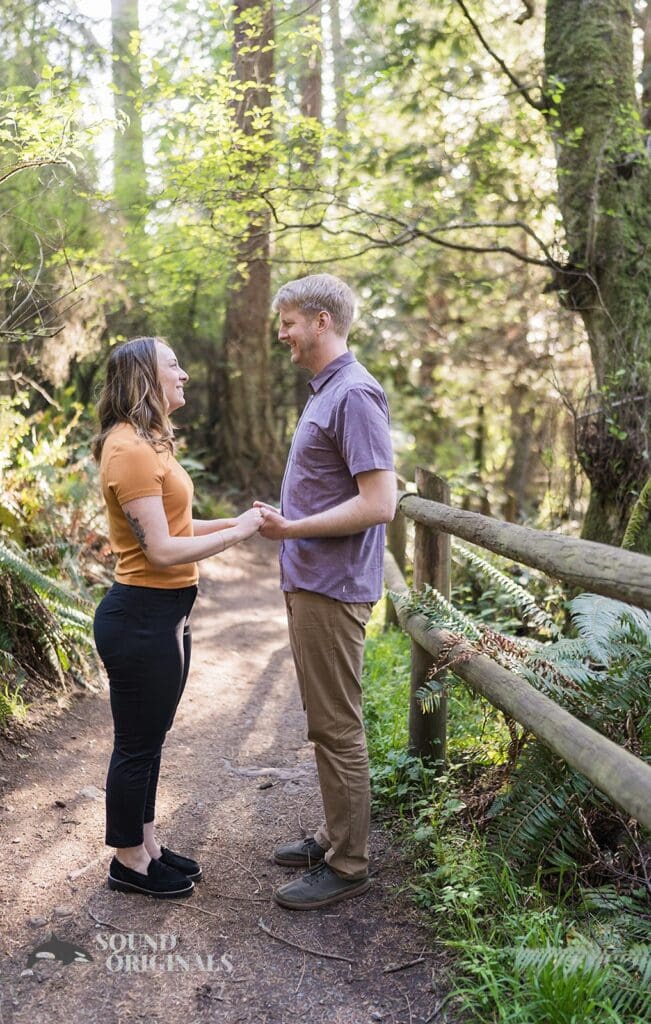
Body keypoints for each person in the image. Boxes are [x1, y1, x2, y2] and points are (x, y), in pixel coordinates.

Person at [92, 336, 263, 899]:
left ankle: (148, 844)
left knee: (151, 736)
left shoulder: (150, 444)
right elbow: (161, 552)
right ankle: (128, 861)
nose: (184, 374)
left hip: (166, 613)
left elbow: (177, 529)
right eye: (174, 365)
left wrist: (233, 521)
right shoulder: (130, 451)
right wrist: (239, 535)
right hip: (141, 614)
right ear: (146, 377)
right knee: (137, 743)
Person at [255, 274, 396, 910]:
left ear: (320, 321)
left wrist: (293, 528)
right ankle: (334, 835)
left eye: (287, 321)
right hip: (310, 580)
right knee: (323, 719)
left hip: (332, 586)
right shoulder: (326, 392)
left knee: (337, 725)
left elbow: (379, 503)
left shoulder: (356, 394)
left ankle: (348, 865)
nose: (281, 332)